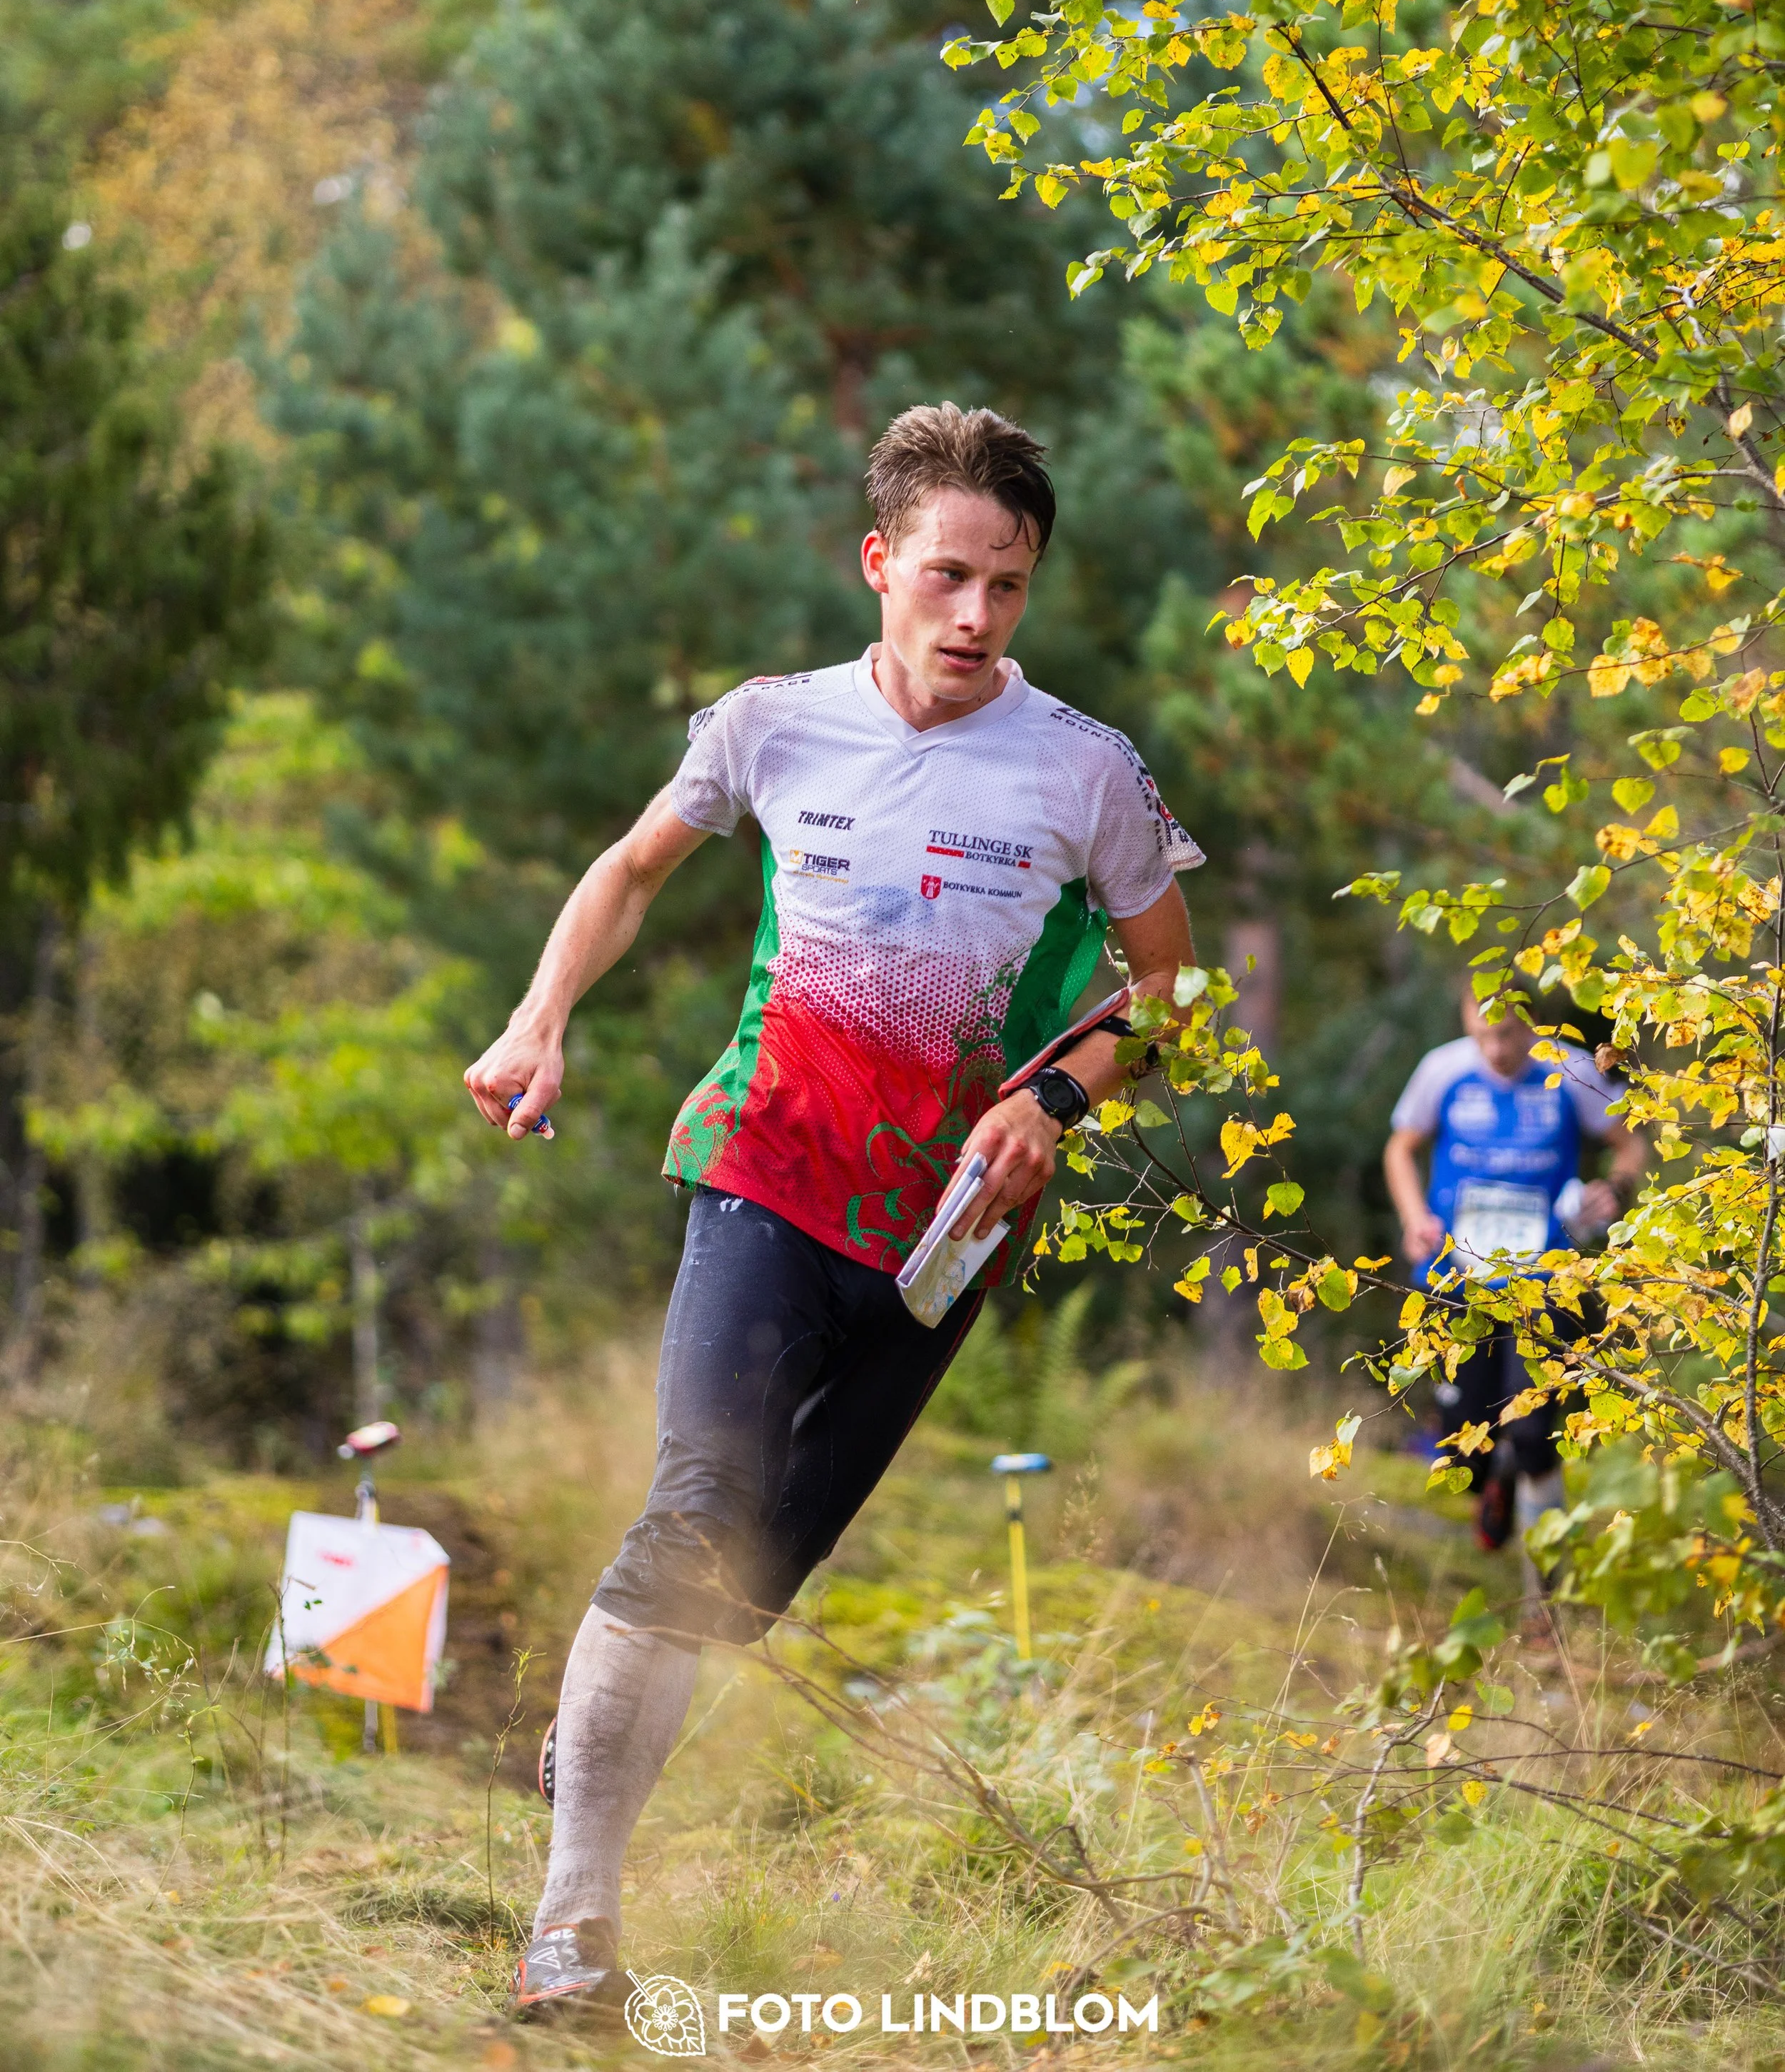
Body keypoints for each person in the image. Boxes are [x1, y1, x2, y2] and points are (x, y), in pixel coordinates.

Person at [463, 403, 1204, 2017]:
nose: (974, 616)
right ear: (879, 563)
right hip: (762, 1166)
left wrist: (1057, 1096)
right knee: (698, 1504)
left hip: (942, 1234)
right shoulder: (770, 725)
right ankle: (572, 1924)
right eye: (947, 575)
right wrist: (540, 1017)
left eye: (1008, 586)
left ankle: (601, 1720)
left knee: (740, 1586)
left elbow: (1172, 981)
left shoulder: (1086, 769)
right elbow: (630, 868)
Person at [1383, 987, 1644, 1558]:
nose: (1497, 1049)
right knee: (1462, 1447)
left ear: (1535, 1024)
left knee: (1531, 1432)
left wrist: (1614, 1189)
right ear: (1465, 1020)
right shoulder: (1444, 1069)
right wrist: (1413, 1217)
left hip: (1545, 1276)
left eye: (1509, 1034)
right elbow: (1400, 1147)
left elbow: (1630, 1144)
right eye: (1484, 1035)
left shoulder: (1569, 1070)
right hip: (1457, 1275)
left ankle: (1547, 1587)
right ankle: (1491, 1478)